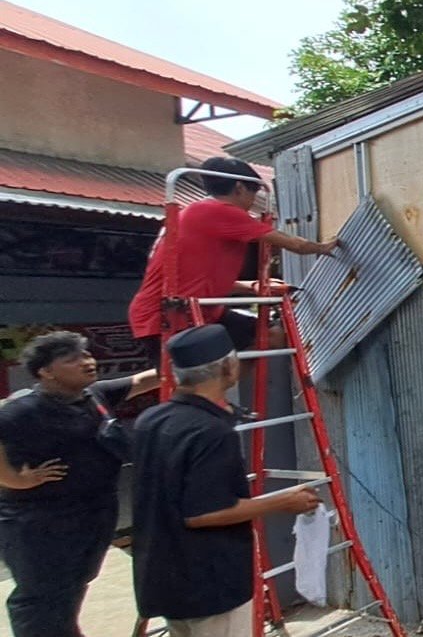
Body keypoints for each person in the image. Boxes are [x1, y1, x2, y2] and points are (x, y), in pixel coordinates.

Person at [132, 324, 320, 637]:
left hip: (163, 577)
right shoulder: (210, 431)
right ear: (226, 367)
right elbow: (202, 514)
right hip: (208, 584)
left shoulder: (151, 419)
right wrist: (284, 502)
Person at [0, 331, 159, 637]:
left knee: (71, 588)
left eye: (87, 355)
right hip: (41, 523)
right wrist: (15, 479)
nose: (88, 362)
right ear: (46, 372)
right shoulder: (23, 410)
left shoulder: (94, 396)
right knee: (41, 598)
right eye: (73, 360)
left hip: (92, 513)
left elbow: (142, 382)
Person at [128, 156, 339, 366]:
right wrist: (327, 246)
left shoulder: (197, 213)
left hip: (199, 310)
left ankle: (215, 393)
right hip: (168, 314)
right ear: (239, 187)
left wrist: (252, 287)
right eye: (253, 192)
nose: (253, 201)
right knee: (187, 382)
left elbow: (198, 276)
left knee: (271, 336)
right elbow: (296, 245)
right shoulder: (219, 211)